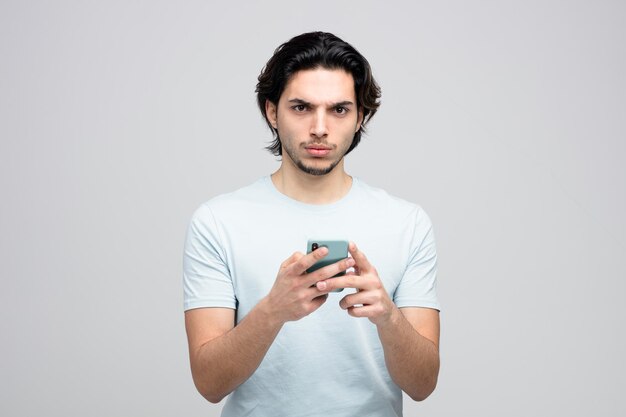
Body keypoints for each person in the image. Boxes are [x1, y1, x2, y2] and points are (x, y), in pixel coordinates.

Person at [183, 31, 440, 417]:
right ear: (272, 111)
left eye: (339, 110)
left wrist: (388, 317)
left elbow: (423, 385)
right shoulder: (218, 221)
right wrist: (273, 310)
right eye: (301, 108)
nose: (320, 128)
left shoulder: (407, 223)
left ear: (360, 117)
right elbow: (209, 383)